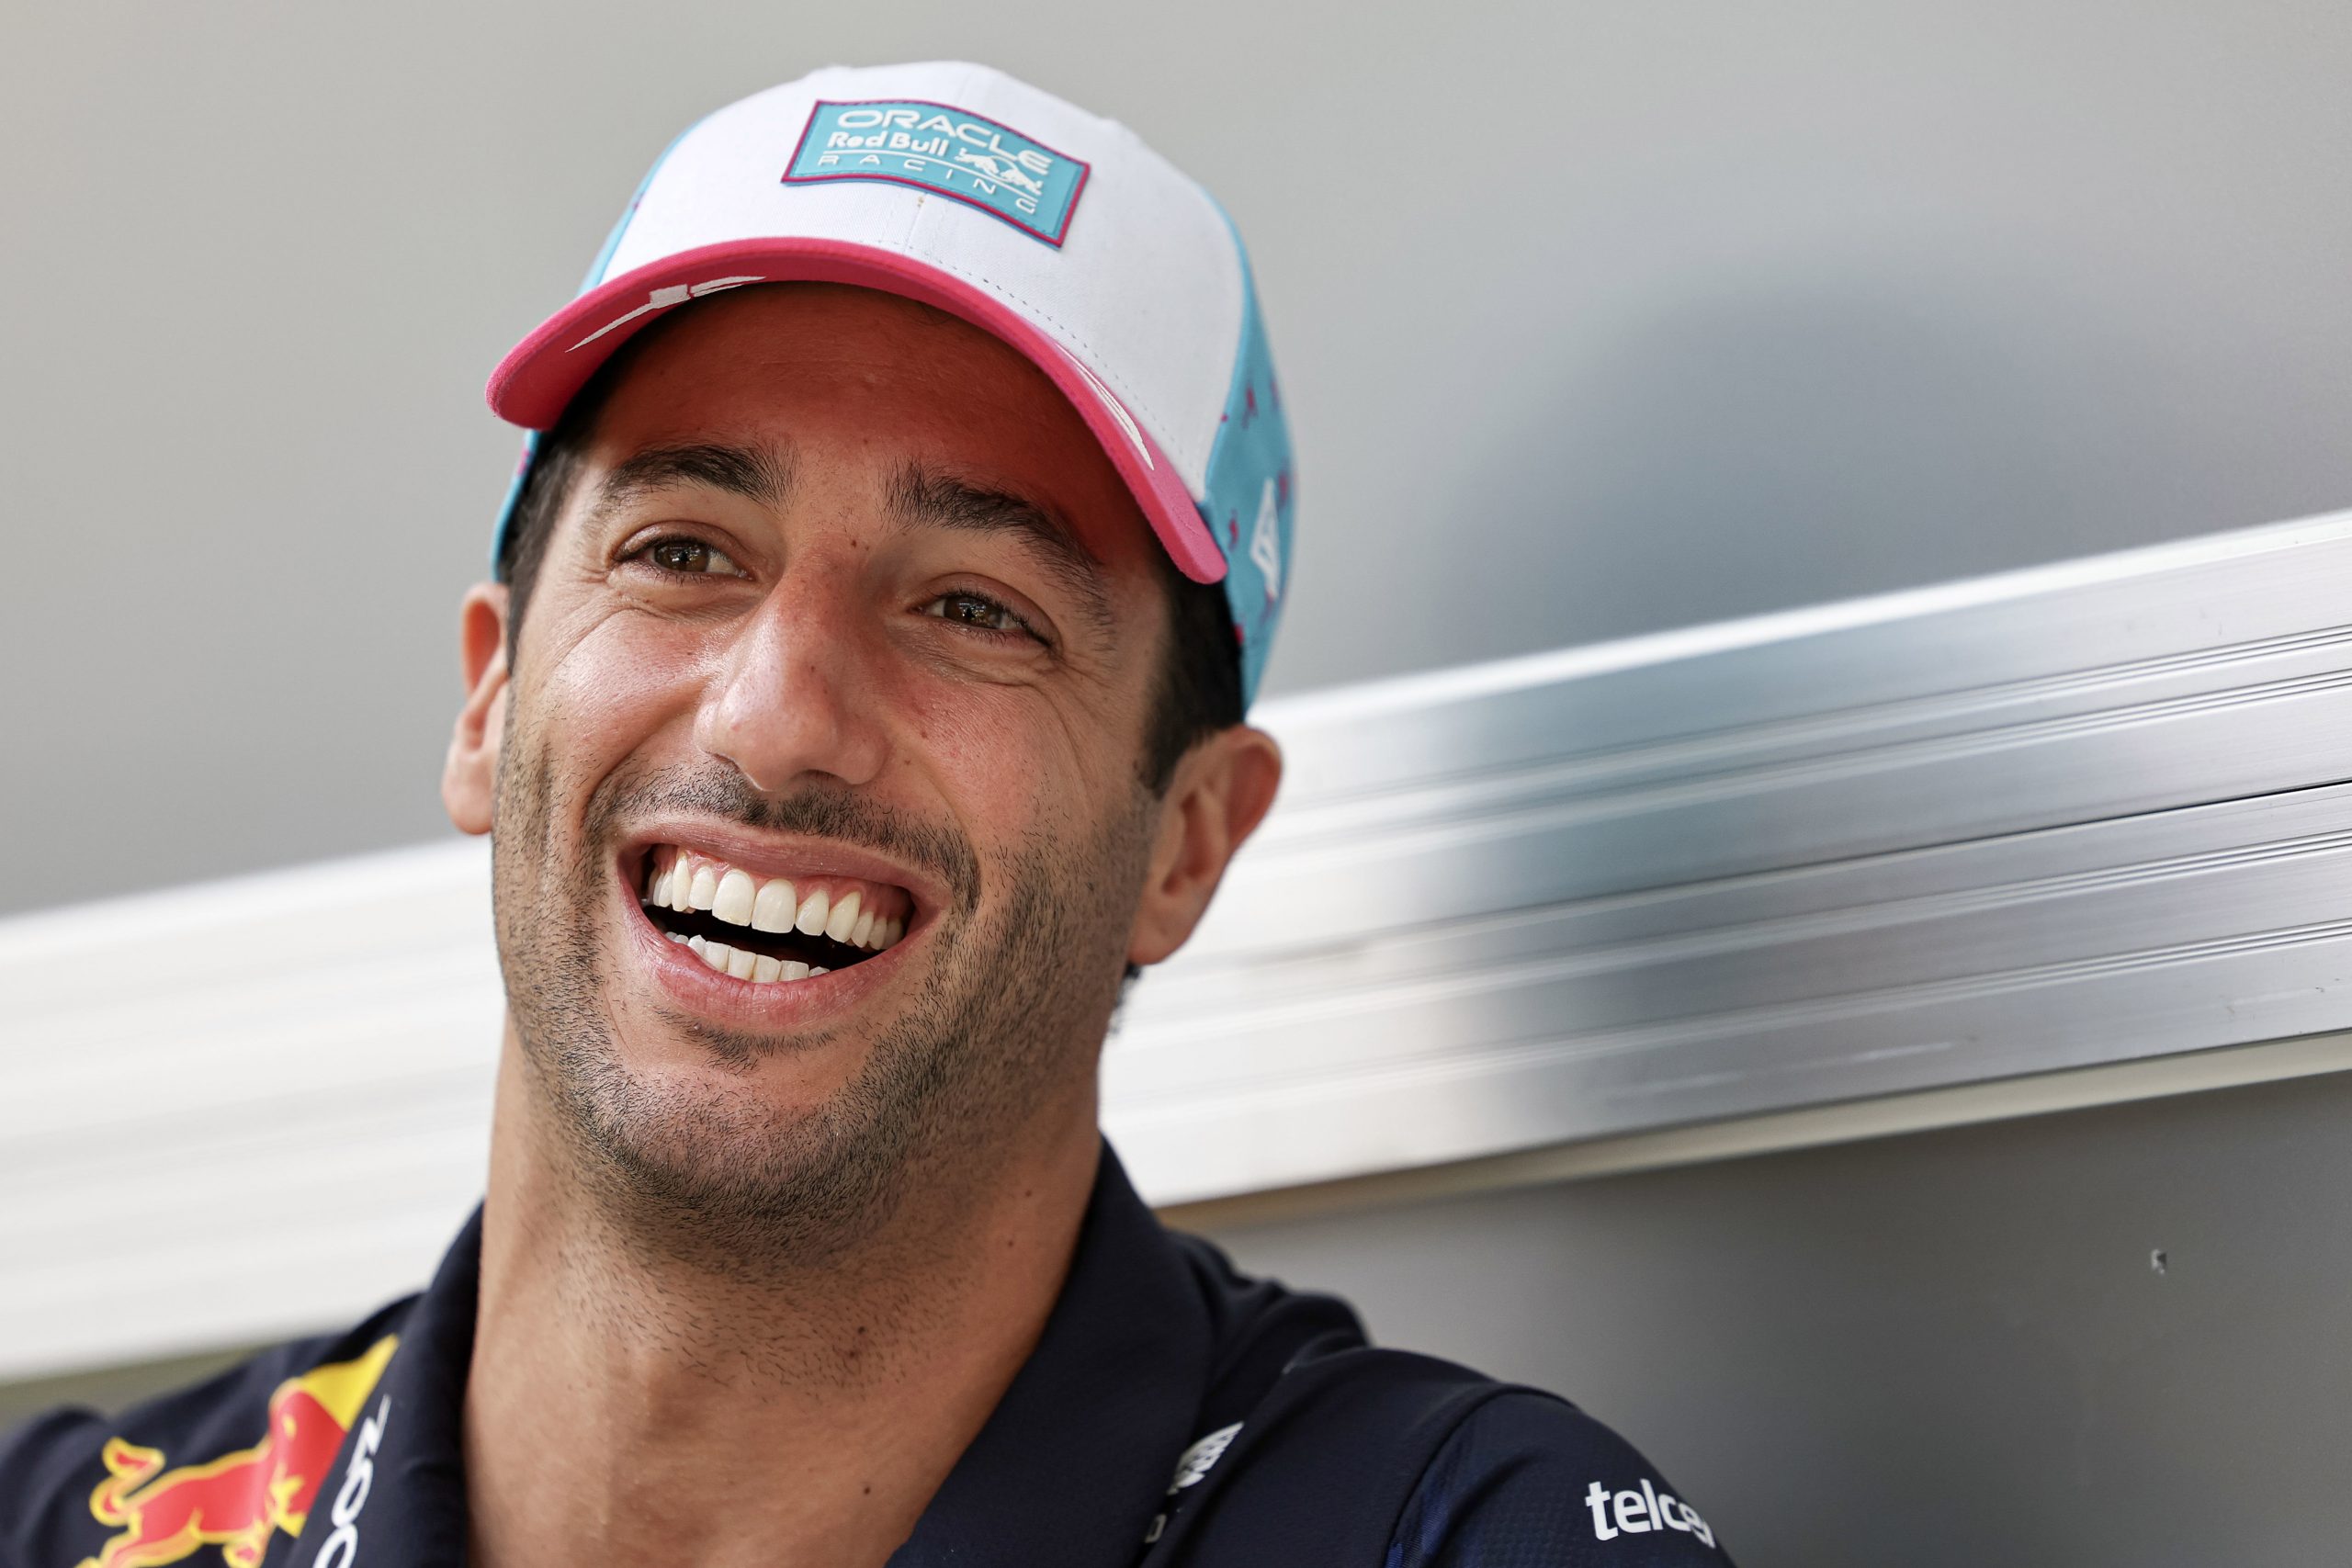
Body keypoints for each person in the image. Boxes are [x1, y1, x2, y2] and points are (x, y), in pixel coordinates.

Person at [0, 62, 1733, 1568]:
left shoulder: (1456, 1541)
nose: (776, 718)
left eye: (976, 606)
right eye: (683, 552)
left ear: (1187, 842)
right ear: (492, 693)